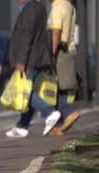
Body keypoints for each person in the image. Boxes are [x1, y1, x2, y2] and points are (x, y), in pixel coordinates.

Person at [6, 0, 61, 138]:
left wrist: (21, 60)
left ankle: (49, 112)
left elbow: (26, 36)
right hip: (36, 58)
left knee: (25, 93)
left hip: (29, 59)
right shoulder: (39, 8)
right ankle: (22, 126)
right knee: (27, 92)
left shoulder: (29, 10)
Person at [47, 0, 80, 136]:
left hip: (60, 52)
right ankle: (59, 124)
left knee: (57, 87)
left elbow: (56, 31)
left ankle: (67, 114)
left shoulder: (57, 8)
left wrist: (52, 53)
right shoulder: (70, 6)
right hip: (70, 50)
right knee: (62, 88)